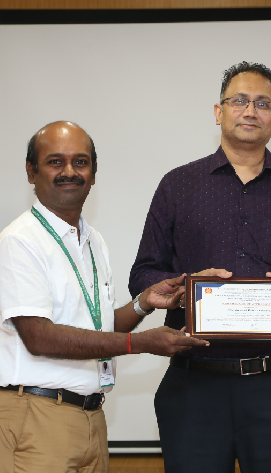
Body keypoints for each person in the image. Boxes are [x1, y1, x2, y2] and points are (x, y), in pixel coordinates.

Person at [129, 61, 271, 473]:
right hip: (194, 384)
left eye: (263, 104)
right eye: (240, 101)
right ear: (219, 112)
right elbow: (143, 274)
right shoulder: (178, 185)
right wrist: (184, 287)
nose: (251, 111)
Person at [0, 121, 209, 473]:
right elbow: (39, 337)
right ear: (31, 171)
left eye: (80, 162)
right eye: (55, 161)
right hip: (36, 418)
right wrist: (139, 344)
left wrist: (144, 303)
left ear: (94, 174)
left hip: (91, 417)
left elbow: (98, 327)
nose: (69, 171)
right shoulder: (20, 240)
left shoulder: (93, 240)